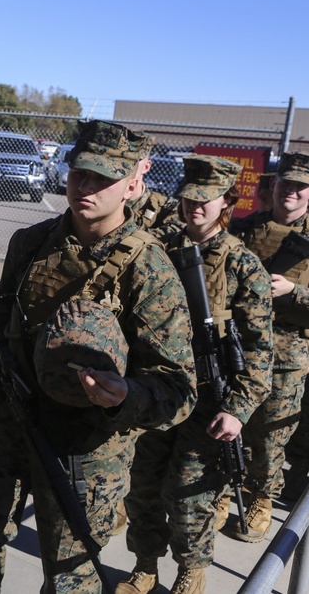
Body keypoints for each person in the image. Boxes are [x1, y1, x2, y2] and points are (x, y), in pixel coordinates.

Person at [0, 120, 196, 594]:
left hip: (86, 447)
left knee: (70, 573)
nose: (86, 187)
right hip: (10, 422)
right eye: (80, 172)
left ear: (133, 183)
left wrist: (126, 395)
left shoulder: (149, 269)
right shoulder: (30, 243)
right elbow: (1, 311)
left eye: (104, 178)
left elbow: (178, 389)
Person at [119, 155, 272, 594]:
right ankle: (145, 566)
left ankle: (192, 571)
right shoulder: (158, 248)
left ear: (228, 201)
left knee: (189, 496)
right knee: (142, 485)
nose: (193, 208)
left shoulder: (244, 267)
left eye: (204, 200)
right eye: (188, 198)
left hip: (210, 403)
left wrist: (238, 409)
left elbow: (261, 349)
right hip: (156, 392)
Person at [227, 151, 309, 541]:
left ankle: (261, 496)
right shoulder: (245, 229)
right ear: (272, 186)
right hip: (241, 346)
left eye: (300, 186)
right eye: (285, 182)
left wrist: (294, 293)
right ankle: (226, 491)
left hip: (289, 354)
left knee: (271, 435)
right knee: (231, 425)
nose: (290, 191)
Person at [127, 141, 183, 234]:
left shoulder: (165, 208)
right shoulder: (101, 202)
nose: (123, 167)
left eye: (132, 161)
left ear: (146, 166)